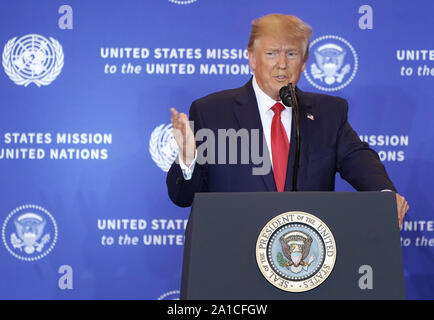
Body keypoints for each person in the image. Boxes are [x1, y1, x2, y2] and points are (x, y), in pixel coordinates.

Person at [166, 14, 409, 227]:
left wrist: (385, 195)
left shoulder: (328, 113)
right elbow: (182, 197)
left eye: (291, 54)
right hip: (233, 258)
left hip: (304, 262)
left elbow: (360, 160)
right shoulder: (212, 112)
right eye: (271, 53)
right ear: (251, 57)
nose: (282, 64)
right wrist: (188, 160)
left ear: (303, 62)